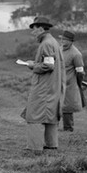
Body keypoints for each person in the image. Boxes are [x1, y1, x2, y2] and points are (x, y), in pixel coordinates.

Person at [21, 16, 65, 152]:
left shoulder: (46, 44)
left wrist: (32, 66)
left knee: (34, 115)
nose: (32, 32)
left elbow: (49, 65)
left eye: (33, 29)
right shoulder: (52, 42)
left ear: (40, 28)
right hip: (52, 86)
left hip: (44, 87)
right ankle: (50, 145)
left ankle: (34, 147)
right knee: (50, 115)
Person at [59, 30, 86, 132]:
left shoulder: (76, 54)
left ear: (71, 41)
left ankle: (68, 127)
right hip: (58, 81)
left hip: (70, 83)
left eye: (65, 39)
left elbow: (80, 71)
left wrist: (78, 82)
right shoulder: (59, 49)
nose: (62, 41)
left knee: (68, 107)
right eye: (62, 39)